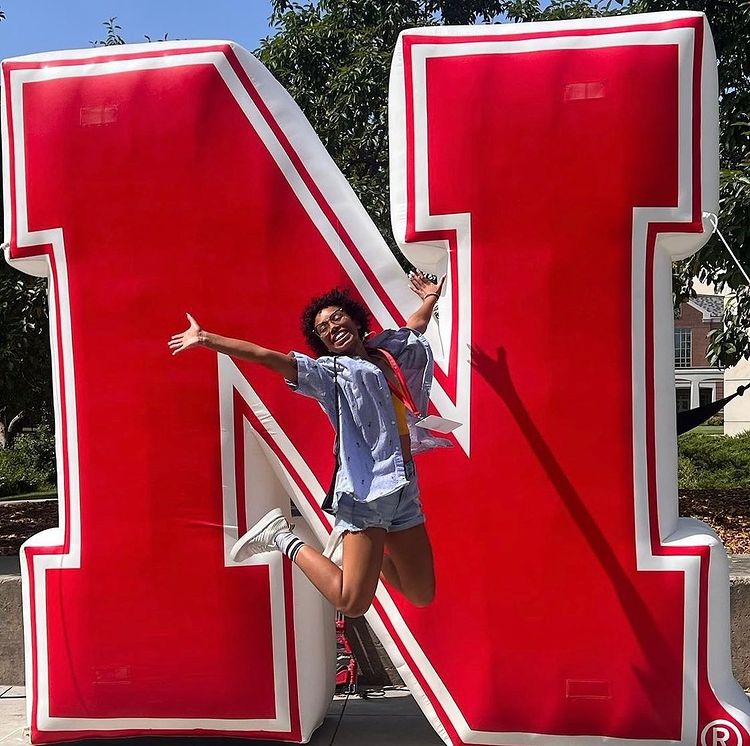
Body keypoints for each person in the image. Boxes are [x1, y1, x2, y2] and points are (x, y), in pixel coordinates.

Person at [168, 272, 447, 617]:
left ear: (355, 321)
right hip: (367, 493)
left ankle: (358, 555)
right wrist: (207, 338)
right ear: (323, 344)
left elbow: (414, 326)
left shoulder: (387, 352)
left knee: (421, 593)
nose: (332, 327)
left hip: (403, 486)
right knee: (352, 602)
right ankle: (281, 536)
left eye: (337, 317)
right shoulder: (330, 373)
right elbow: (266, 356)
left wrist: (431, 298)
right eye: (323, 328)